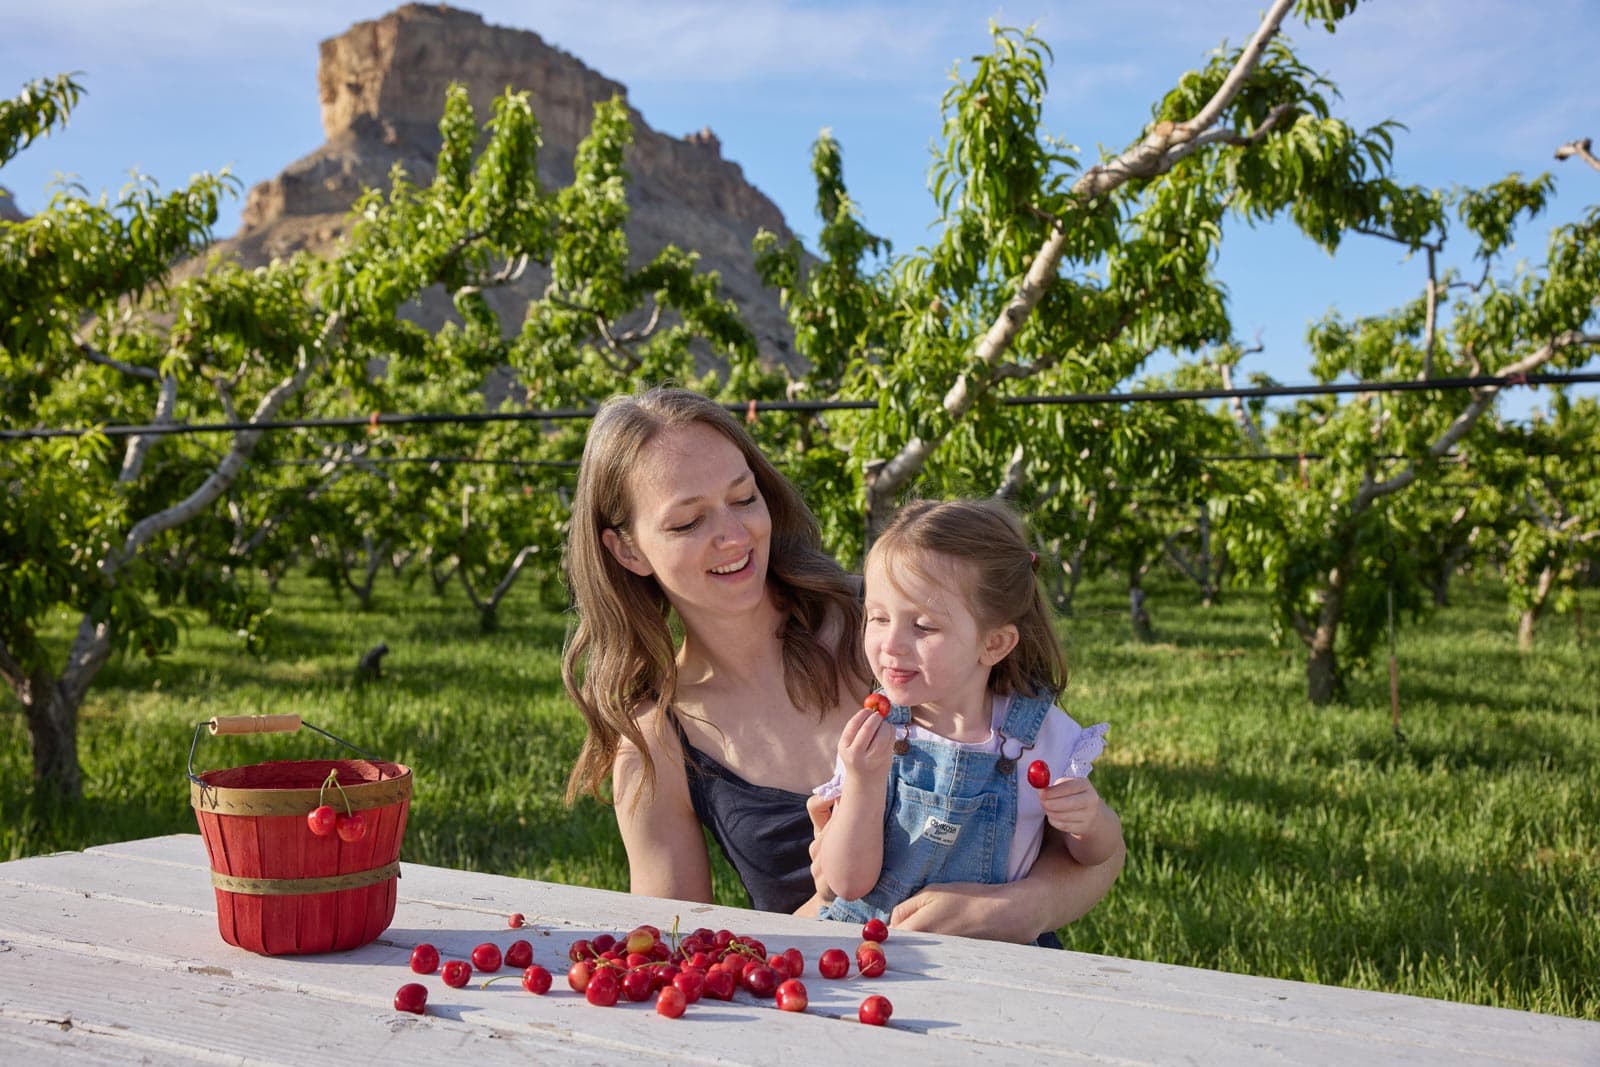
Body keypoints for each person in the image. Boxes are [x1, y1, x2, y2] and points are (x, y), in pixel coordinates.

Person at [562, 386, 1122, 942]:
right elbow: (679, 946)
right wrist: (830, 904)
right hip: (833, 1005)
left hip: (1007, 984)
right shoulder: (655, 739)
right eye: (687, 522)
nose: (734, 535)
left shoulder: (898, 627)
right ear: (627, 550)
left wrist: (1027, 908)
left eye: (744, 499)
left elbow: (1090, 851)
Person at [813, 499, 1121, 930]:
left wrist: (1090, 823)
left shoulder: (1040, 736)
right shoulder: (876, 733)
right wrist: (862, 781)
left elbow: (1095, 854)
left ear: (993, 644)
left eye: (923, 627)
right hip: (868, 945)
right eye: (878, 618)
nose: (891, 644)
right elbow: (846, 883)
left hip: (990, 946)